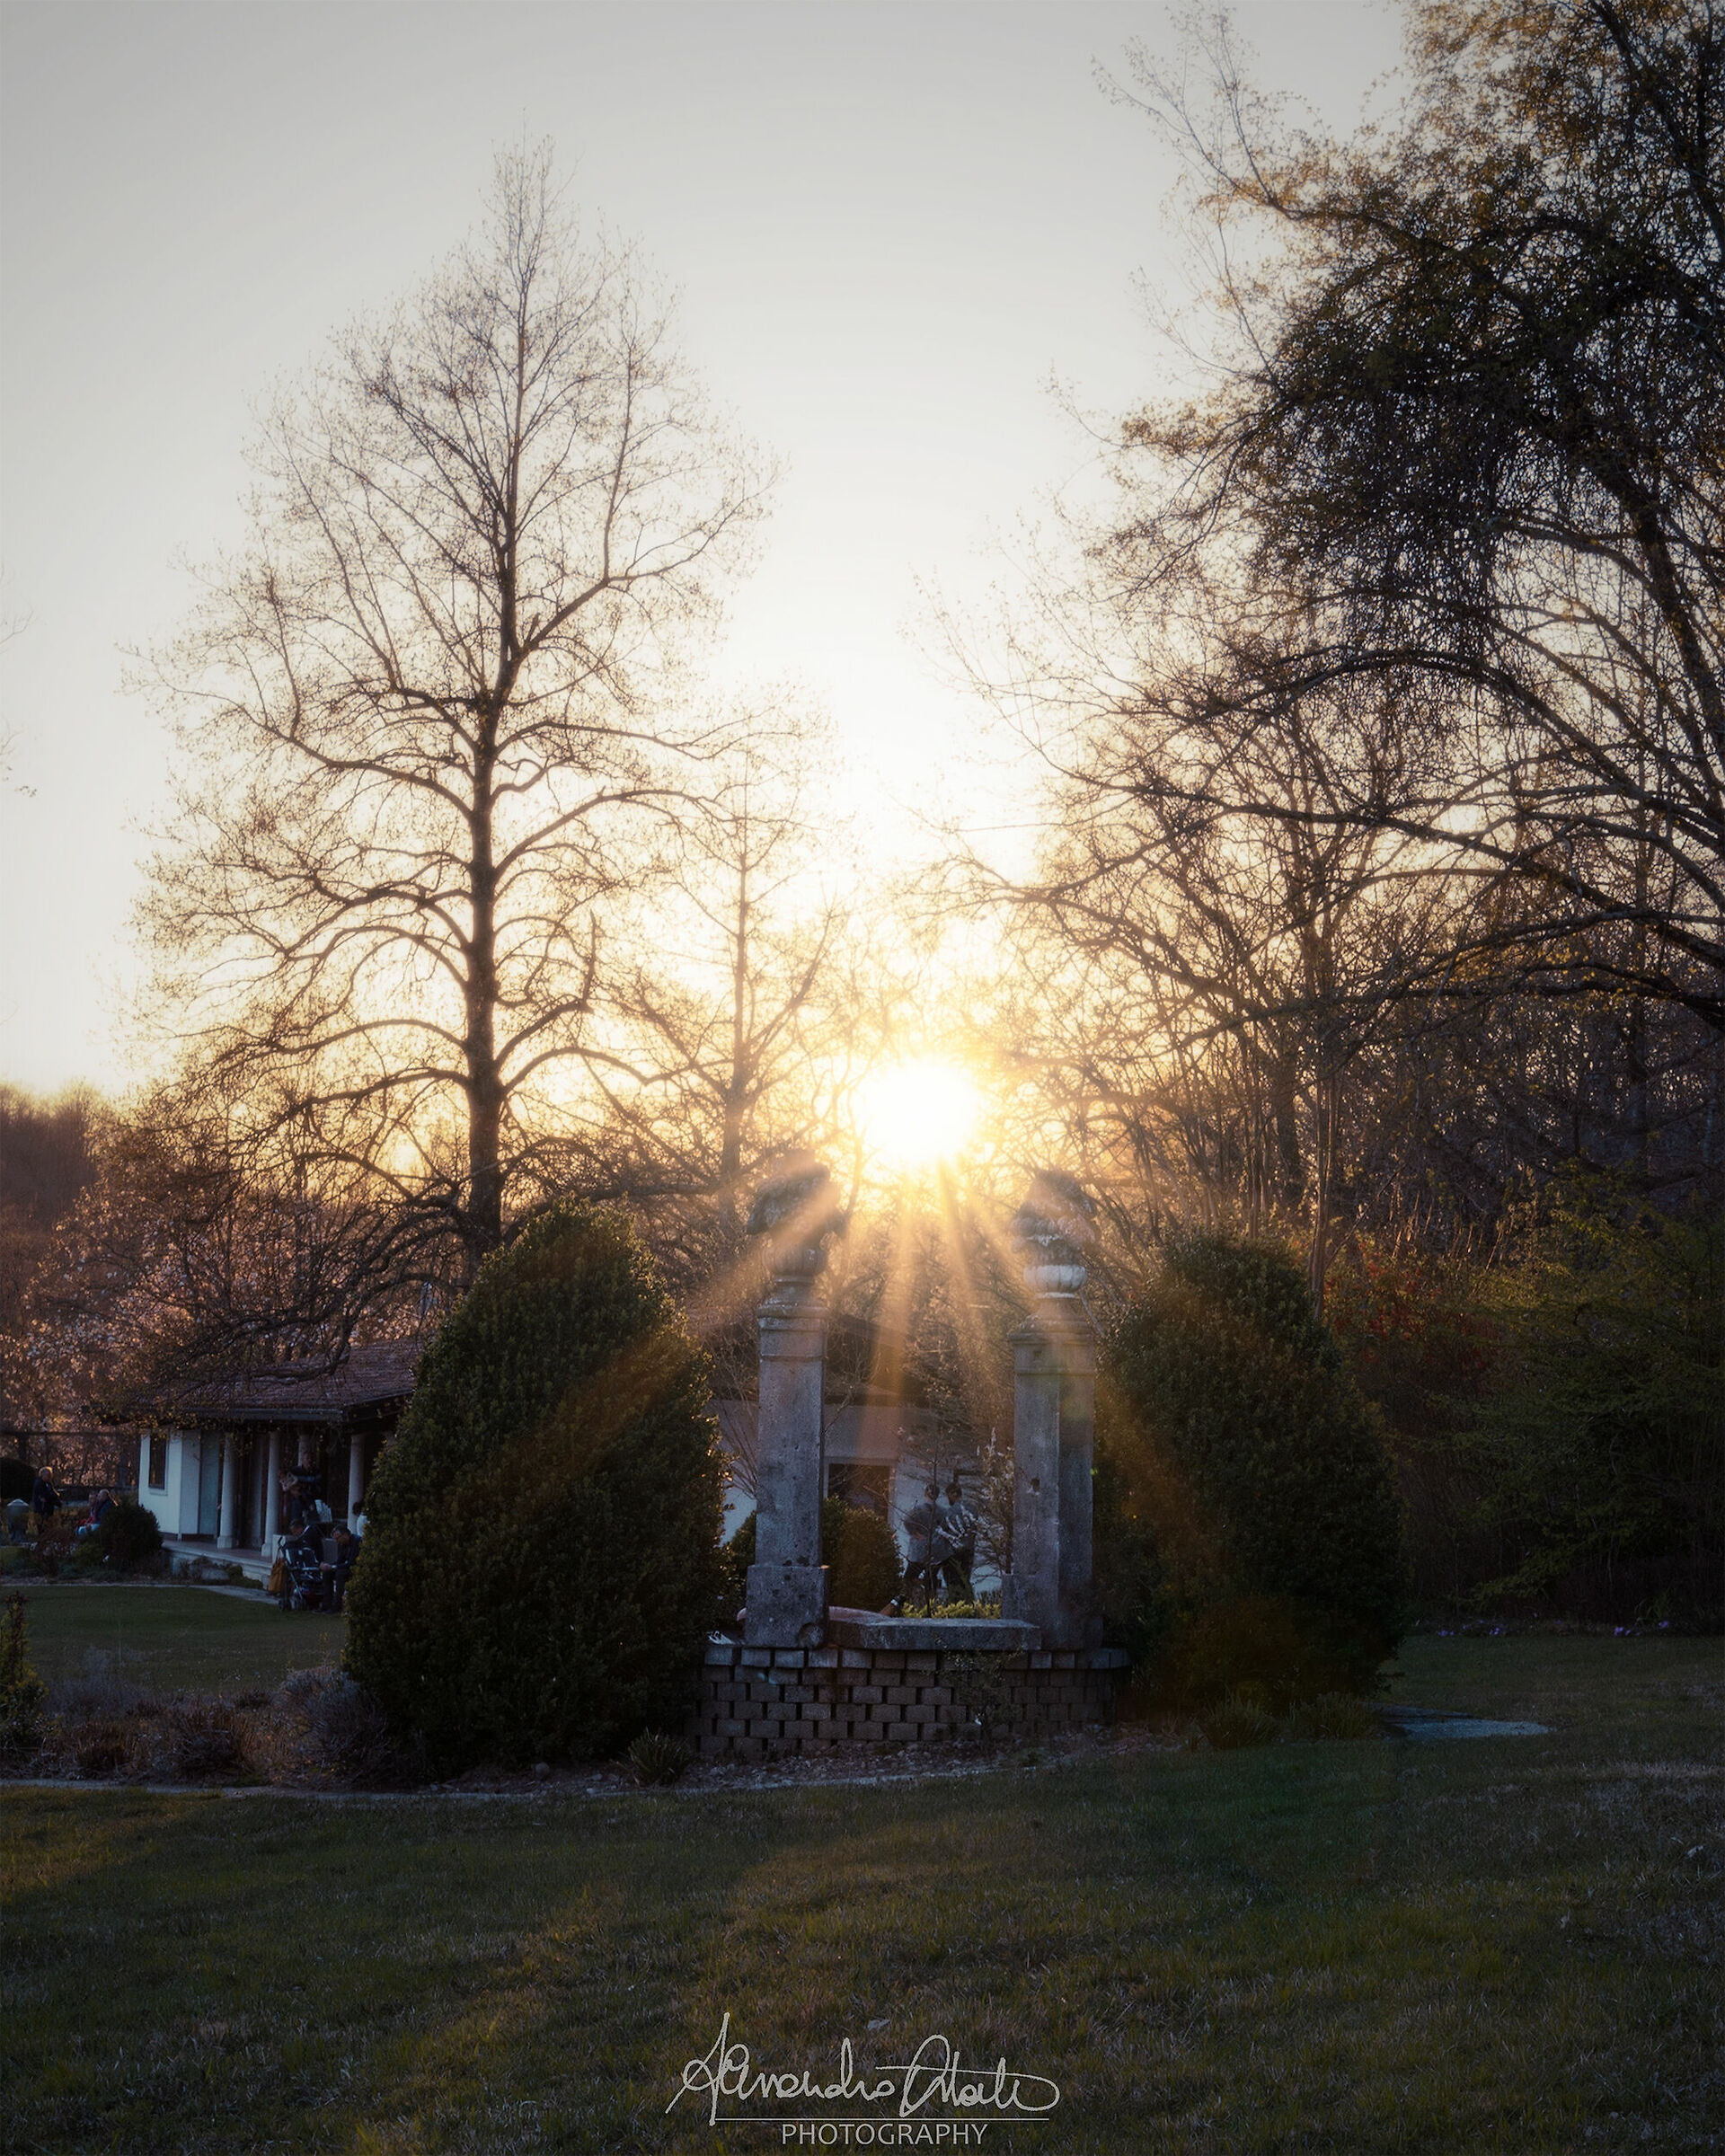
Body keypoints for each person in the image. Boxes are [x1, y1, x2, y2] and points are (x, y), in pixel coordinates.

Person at [901, 1481, 942, 1605]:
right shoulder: (941, 1511)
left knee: (909, 1578)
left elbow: (907, 1520)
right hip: (935, 1549)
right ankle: (931, 1603)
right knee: (931, 1578)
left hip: (919, 1551)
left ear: (925, 1493)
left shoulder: (918, 1509)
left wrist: (915, 1534)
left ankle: (908, 1602)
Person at [935, 1479, 976, 1601]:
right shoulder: (972, 1509)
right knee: (965, 1580)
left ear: (953, 1494)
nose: (948, 1499)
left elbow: (942, 1532)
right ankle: (968, 1606)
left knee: (953, 1583)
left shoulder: (950, 1512)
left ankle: (956, 1608)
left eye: (949, 1496)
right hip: (969, 1551)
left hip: (953, 1553)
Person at [30, 1468, 58, 1535]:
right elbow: (45, 1494)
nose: (49, 1477)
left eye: (50, 1475)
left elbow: (54, 1494)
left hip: (48, 1508)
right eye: (47, 1475)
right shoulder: (39, 1483)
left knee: (49, 1525)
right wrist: (50, 1496)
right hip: (41, 1509)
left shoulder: (49, 1484)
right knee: (42, 1526)